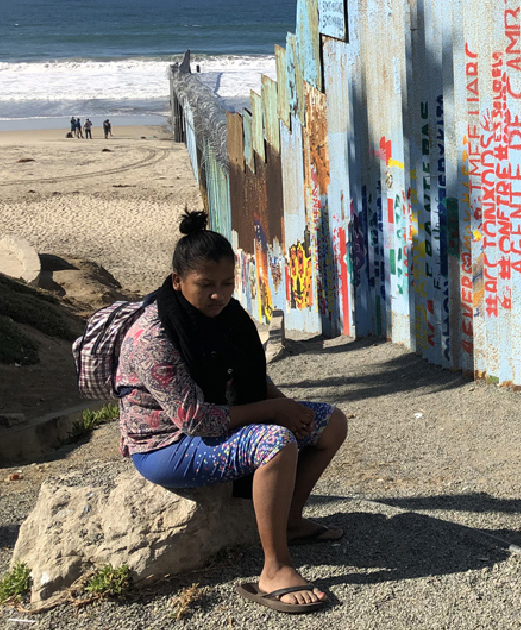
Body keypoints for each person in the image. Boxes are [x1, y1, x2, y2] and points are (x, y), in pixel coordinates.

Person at [115, 211, 348, 613]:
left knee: (330, 423)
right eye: (205, 285)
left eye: (226, 283)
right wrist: (274, 411)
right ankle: (274, 569)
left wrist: (284, 403)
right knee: (275, 442)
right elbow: (195, 420)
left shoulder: (227, 317)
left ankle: (290, 521)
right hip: (166, 444)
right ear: (177, 282)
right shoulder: (153, 338)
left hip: (219, 419)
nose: (218, 295)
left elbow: (247, 374)